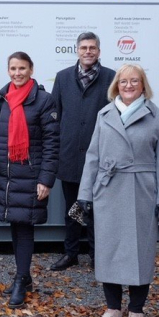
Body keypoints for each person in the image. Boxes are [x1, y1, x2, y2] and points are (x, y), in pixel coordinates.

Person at [77, 63, 159, 317]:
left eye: (134, 81)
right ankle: (112, 309)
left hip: (141, 190)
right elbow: (93, 156)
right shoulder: (105, 114)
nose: (129, 86)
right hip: (108, 189)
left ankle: (136, 311)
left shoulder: (155, 116)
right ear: (116, 86)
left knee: (139, 252)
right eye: (123, 82)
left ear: (143, 85)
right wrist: (85, 194)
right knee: (108, 250)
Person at [0, 52, 60, 308]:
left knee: (25, 226)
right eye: (13, 68)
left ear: (31, 69)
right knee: (15, 224)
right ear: (8, 70)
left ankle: (21, 279)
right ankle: (24, 277)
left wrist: (46, 179)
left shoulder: (43, 101)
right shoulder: (2, 98)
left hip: (30, 174)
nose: (17, 73)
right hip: (6, 174)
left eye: (22, 68)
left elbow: (52, 144)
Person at [49, 32, 116, 271]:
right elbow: (54, 116)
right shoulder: (63, 77)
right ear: (76, 50)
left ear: (99, 51)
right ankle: (71, 253)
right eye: (84, 47)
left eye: (92, 48)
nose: (88, 51)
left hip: (99, 156)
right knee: (72, 209)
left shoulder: (111, 77)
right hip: (69, 155)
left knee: (99, 209)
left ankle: (98, 256)